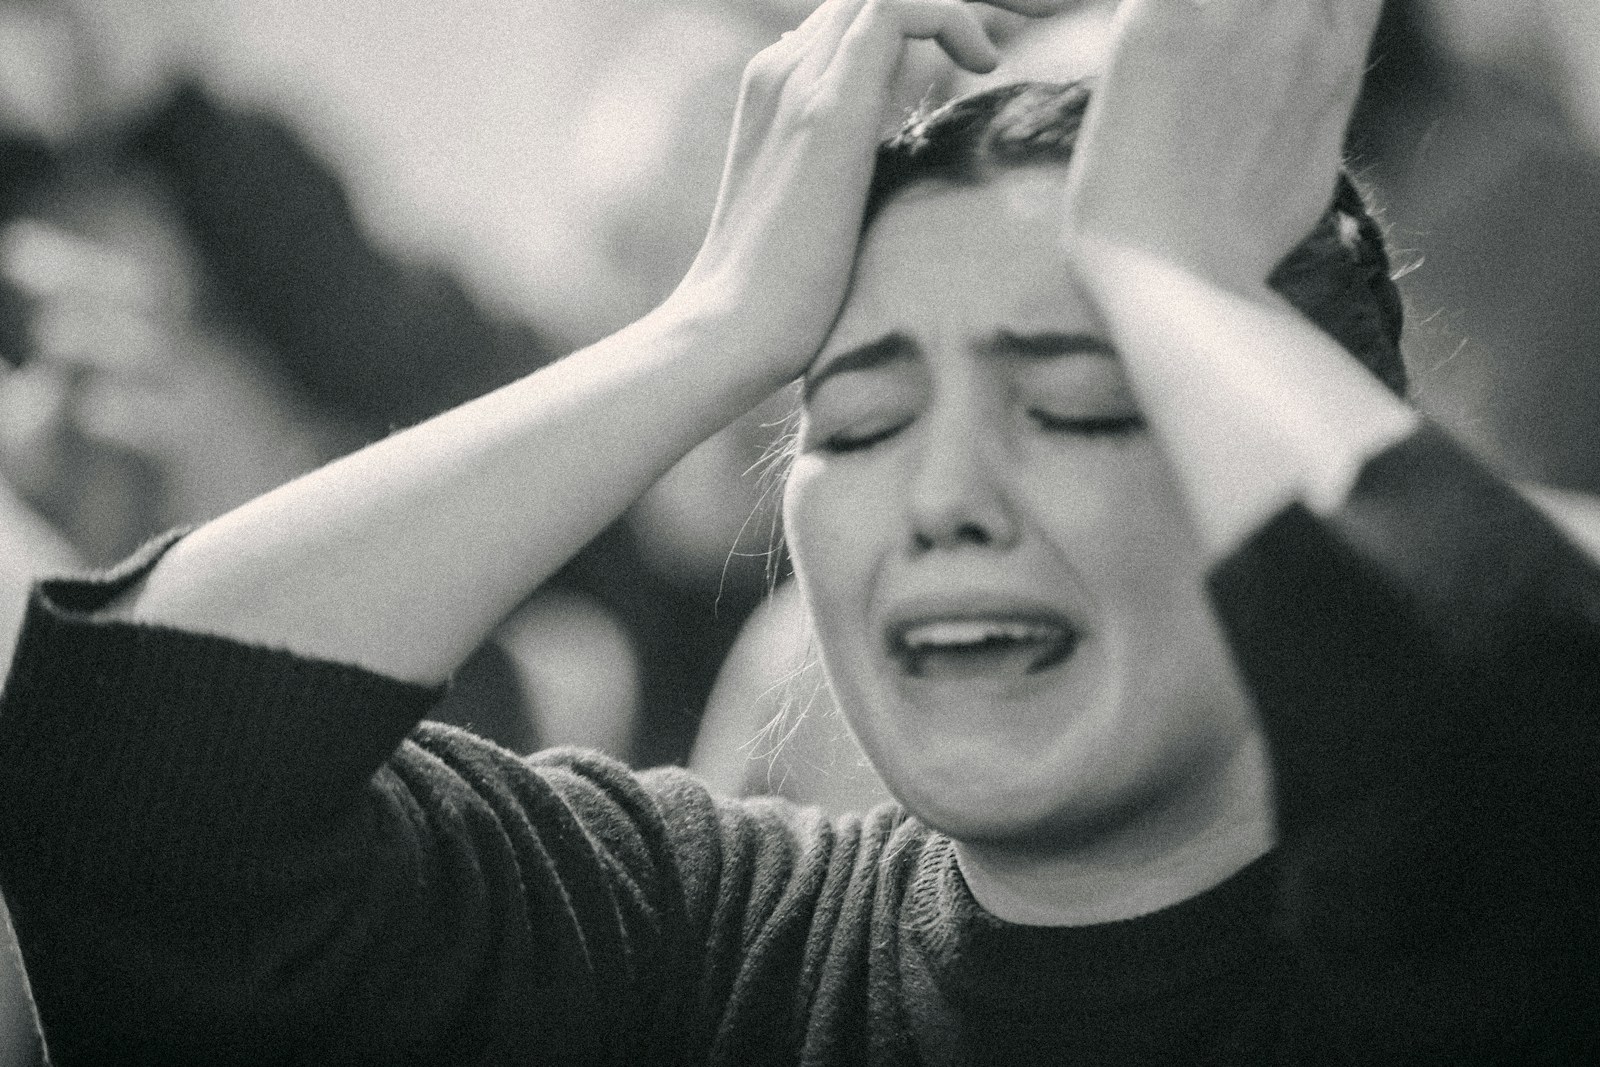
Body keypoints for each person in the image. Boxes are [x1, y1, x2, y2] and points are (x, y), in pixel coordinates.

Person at [0, 0, 1595, 1063]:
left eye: (1082, 403)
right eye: (858, 423)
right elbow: (128, 792)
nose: (944, 496)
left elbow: (1537, 700)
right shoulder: (716, 952)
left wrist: (1172, 269)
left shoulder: (1464, 947)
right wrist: (707, 333)